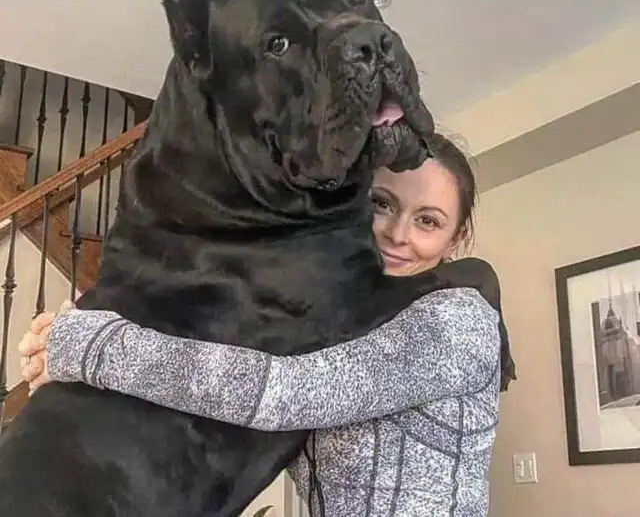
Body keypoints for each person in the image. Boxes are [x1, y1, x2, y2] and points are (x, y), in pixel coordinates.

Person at [19, 133, 510, 517]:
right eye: (382, 204)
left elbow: (284, 392)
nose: (398, 235)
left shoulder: (456, 321)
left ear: (455, 237)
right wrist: (76, 332)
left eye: (428, 221)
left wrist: (95, 348)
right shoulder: (343, 314)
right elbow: (218, 341)